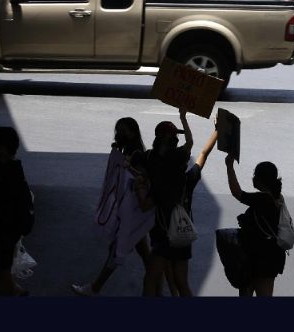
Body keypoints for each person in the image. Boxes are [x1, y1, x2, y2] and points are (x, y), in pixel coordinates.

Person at [71, 118, 154, 296]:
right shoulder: (129, 150)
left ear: (133, 132)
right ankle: (156, 284)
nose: (118, 134)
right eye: (117, 130)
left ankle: (95, 288)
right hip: (133, 212)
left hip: (132, 212)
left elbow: (141, 178)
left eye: (123, 130)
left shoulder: (137, 154)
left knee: (117, 251)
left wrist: (127, 165)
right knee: (143, 251)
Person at [141, 113, 217, 297]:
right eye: (174, 135)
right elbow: (202, 154)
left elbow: (145, 204)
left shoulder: (152, 161)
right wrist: (216, 131)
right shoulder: (187, 179)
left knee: (151, 278)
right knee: (181, 281)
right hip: (182, 233)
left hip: (162, 232)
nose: (176, 138)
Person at [0, 127, 33, 296]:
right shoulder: (10, 165)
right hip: (6, 228)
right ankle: (17, 292)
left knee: (0, 271)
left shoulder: (6, 169)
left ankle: (14, 293)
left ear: (1, 147)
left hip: (5, 230)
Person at [224, 156, 286, 296]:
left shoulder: (262, 198)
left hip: (257, 257)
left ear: (261, 180)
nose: (253, 178)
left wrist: (229, 167)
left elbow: (237, 193)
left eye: (255, 175)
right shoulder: (276, 198)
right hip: (270, 257)